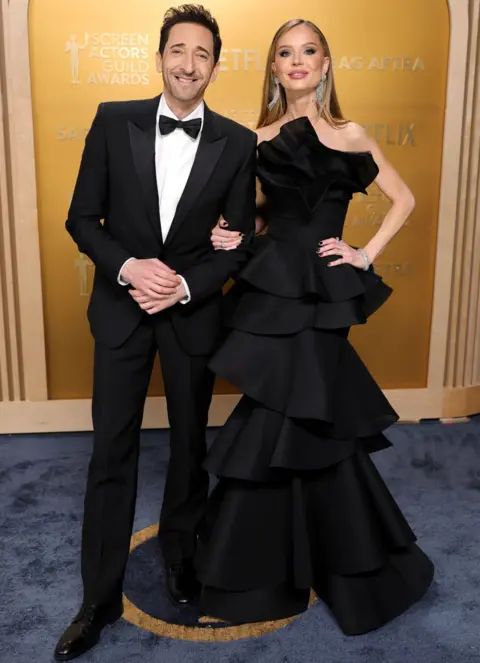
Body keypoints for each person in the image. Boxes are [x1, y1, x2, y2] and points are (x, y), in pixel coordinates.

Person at [196, 18, 434, 635]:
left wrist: (365, 253)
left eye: (308, 51)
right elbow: (248, 220)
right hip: (274, 286)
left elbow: (403, 199)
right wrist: (231, 235)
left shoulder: (349, 132)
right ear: (273, 69)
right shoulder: (255, 137)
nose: (297, 61)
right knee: (279, 413)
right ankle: (275, 562)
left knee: (310, 419)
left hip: (323, 291)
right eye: (285, 54)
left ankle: (346, 566)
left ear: (326, 64)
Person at [54, 5, 256, 660]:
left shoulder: (238, 141)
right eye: (178, 49)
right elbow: (82, 218)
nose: (188, 63)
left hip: (191, 313)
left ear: (215, 66)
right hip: (121, 308)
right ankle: (98, 597)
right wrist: (128, 267)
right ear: (160, 55)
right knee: (111, 449)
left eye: (202, 54)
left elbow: (236, 242)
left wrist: (190, 283)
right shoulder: (114, 120)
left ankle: (180, 560)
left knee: (190, 446)